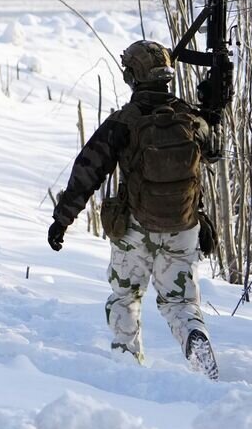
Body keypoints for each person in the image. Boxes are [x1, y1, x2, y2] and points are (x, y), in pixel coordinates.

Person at [47, 40, 219, 380]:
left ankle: (128, 364)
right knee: (181, 304)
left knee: (125, 296)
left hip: (135, 228)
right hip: (184, 226)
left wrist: (62, 220)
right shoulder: (191, 119)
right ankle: (195, 339)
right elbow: (213, 151)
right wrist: (210, 107)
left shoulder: (123, 122)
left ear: (131, 76)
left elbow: (87, 172)